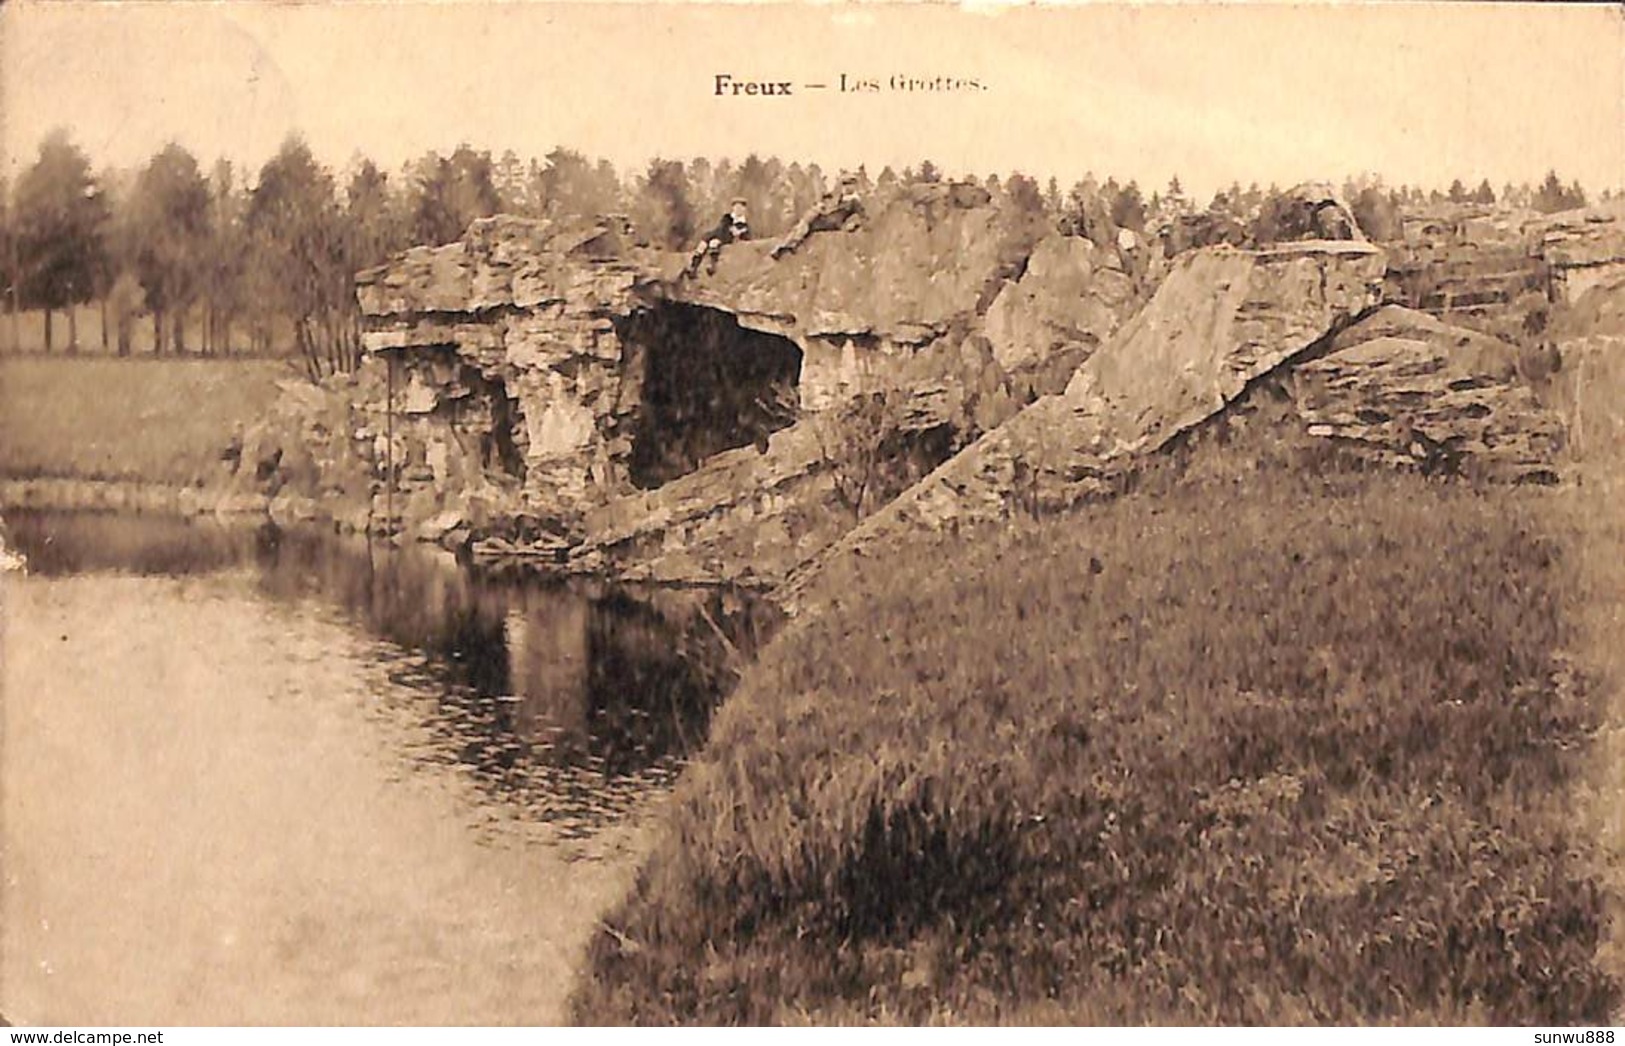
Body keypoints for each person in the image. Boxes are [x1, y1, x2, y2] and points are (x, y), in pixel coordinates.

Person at [772, 175, 864, 259]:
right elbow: (829, 197)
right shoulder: (842, 196)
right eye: (845, 184)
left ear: (854, 186)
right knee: (807, 222)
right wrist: (825, 197)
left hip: (834, 222)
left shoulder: (854, 201)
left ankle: (789, 245)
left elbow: (862, 216)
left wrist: (854, 225)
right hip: (827, 219)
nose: (846, 187)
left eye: (849, 184)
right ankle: (789, 245)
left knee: (811, 216)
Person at [684, 197, 751, 277]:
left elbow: (744, 235)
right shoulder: (727, 217)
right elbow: (721, 228)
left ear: (744, 209)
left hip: (727, 237)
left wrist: (738, 233)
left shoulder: (743, 224)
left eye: (740, 207)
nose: (738, 209)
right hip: (719, 233)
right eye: (736, 207)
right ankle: (693, 267)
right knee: (703, 244)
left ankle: (712, 265)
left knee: (714, 243)